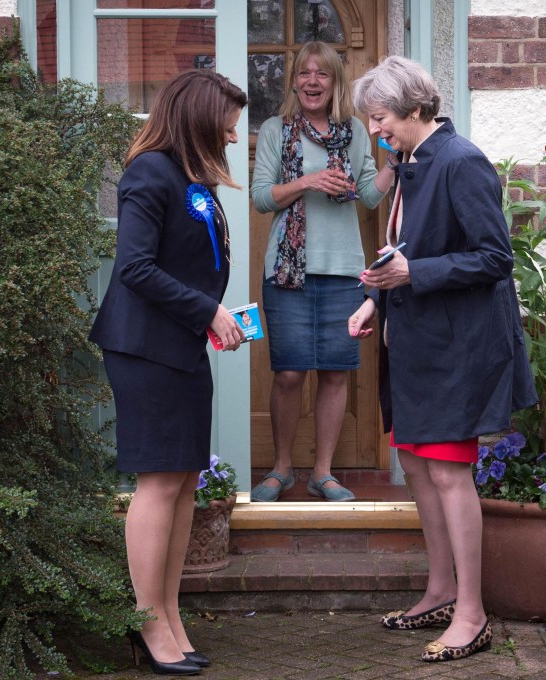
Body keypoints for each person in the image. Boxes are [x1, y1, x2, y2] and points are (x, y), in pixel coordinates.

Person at [347, 56, 538, 663]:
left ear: (415, 108)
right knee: (417, 464)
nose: (377, 132)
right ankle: (440, 590)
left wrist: (412, 274)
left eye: (381, 119)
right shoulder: (409, 162)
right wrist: (377, 297)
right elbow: (407, 248)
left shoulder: (462, 161)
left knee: (450, 472)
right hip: (417, 341)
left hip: (459, 347)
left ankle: (473, 614)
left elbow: (495, 258)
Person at [89, 69, 248, 676]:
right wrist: (207, 309)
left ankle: (171, 615)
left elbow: (192, 262)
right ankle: (147, 623)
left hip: (180, 344)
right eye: (228, 125)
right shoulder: (149, 172)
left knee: (184, 481)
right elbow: (134, 268)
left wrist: (211, 316)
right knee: (158, 483)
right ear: (200, 118)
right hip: (144, 349)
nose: (233, 137)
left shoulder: (189, 175)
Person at [250, 41, 396, 503]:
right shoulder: (276, 130)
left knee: (335, 372)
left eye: (323, 74)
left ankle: (323, 472)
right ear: (294, 80)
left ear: (334, 82)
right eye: (304, 73)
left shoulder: (354, 132)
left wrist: (399, 159)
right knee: (290, 373)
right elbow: (261, 198)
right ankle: (281, 468)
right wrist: (310, 181)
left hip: (343, 270)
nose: (313, 81)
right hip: (287, 272)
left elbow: (370, 196)